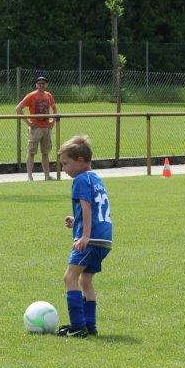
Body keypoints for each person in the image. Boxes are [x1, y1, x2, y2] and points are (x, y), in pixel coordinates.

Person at [55, 135, 113, 338]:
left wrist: (85, 235)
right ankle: (90, 325)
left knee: (70, 277)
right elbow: (94, 209)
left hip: (91, 239)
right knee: (85, 280)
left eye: (65, 164)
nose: (64, 169)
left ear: (80, 160)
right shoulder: (95, 178)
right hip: (104, 240)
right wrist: (76, 221)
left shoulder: (80, 180)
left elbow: (87, 207)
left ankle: (78, 326)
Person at [16, 76, 57, 181]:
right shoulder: (31, 95)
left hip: (46, 128)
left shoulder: (48, 95)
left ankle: (47, 176)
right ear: (36, 85)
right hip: (35, 128)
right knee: (31, 152)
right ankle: (30, 177)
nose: (41, 85)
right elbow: (18, 108)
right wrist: (28, 122)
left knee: (46, 152)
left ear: (46, 85)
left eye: (43, 83)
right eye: (39, 83)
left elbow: (54, 108)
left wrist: (53, 121)